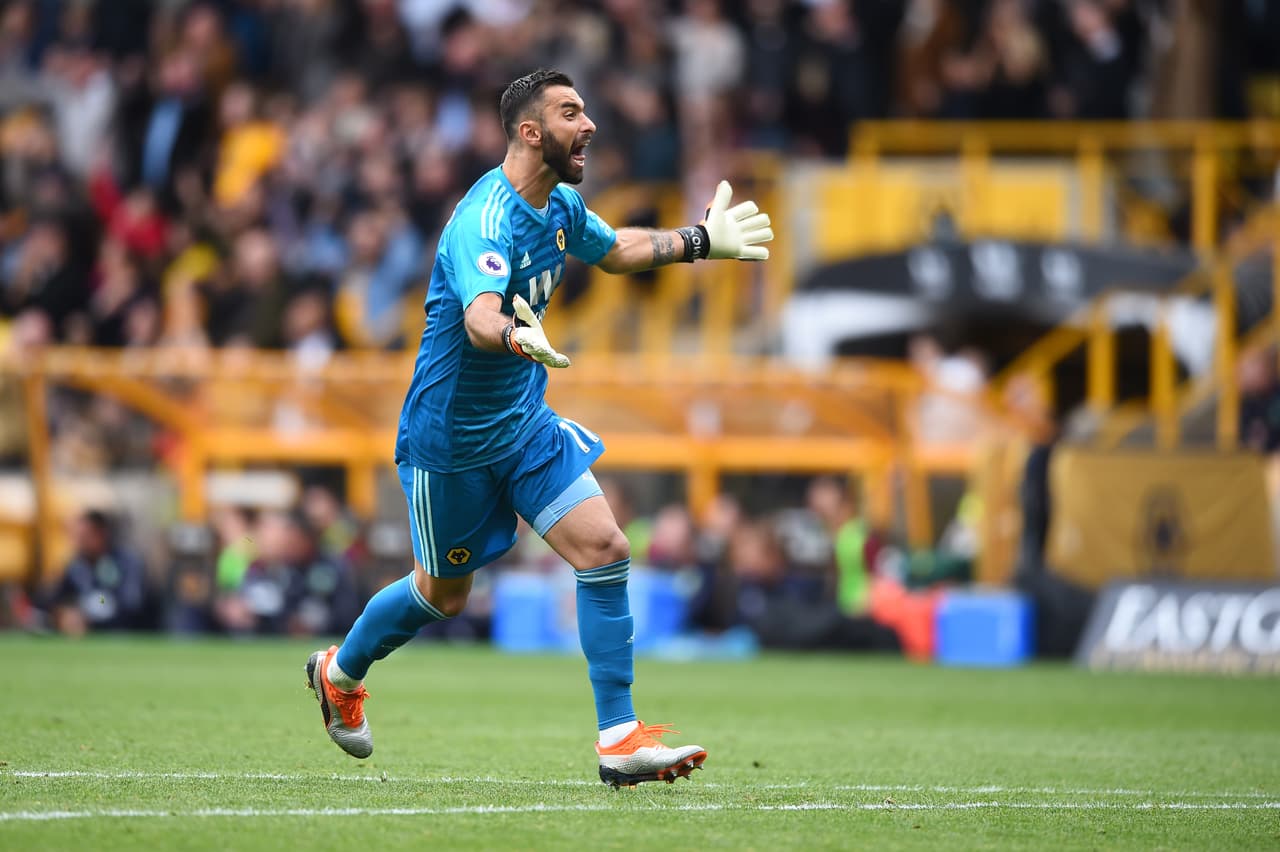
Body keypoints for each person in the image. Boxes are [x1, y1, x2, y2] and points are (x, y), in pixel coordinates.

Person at [304, 68, 773, 787]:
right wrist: (516, 339)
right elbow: (481, 315)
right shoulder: (483, 219)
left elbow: (614, 250)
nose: (588, 125)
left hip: (523, 422)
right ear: (531, 132)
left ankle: (618, 736)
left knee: (605, 547)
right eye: (570, 112)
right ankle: (341, 671)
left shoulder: (560, 205)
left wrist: (699, 241)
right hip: (450, 442)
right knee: (441, 594)